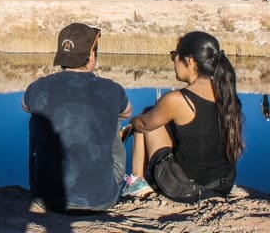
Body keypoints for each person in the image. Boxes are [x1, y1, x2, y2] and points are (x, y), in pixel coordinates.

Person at [122, 31, 243, 203]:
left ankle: (136, 182)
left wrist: (132, 123)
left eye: (174, 56)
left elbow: (143, 124)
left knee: (145, 118)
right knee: (158, 115)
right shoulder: (228, 95)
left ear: (190, 61)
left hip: (185, 189)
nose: (173, 62)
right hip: (223, 185)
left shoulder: (177, 100)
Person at [22, 23, 132, 212]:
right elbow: (127, 112)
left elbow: (25, 106)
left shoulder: (39, 86)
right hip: (102, 199)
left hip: (46, 198)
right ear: (90, 56)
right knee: (113, 118)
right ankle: (99, 181)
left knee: (37, 118)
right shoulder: (112, 89)